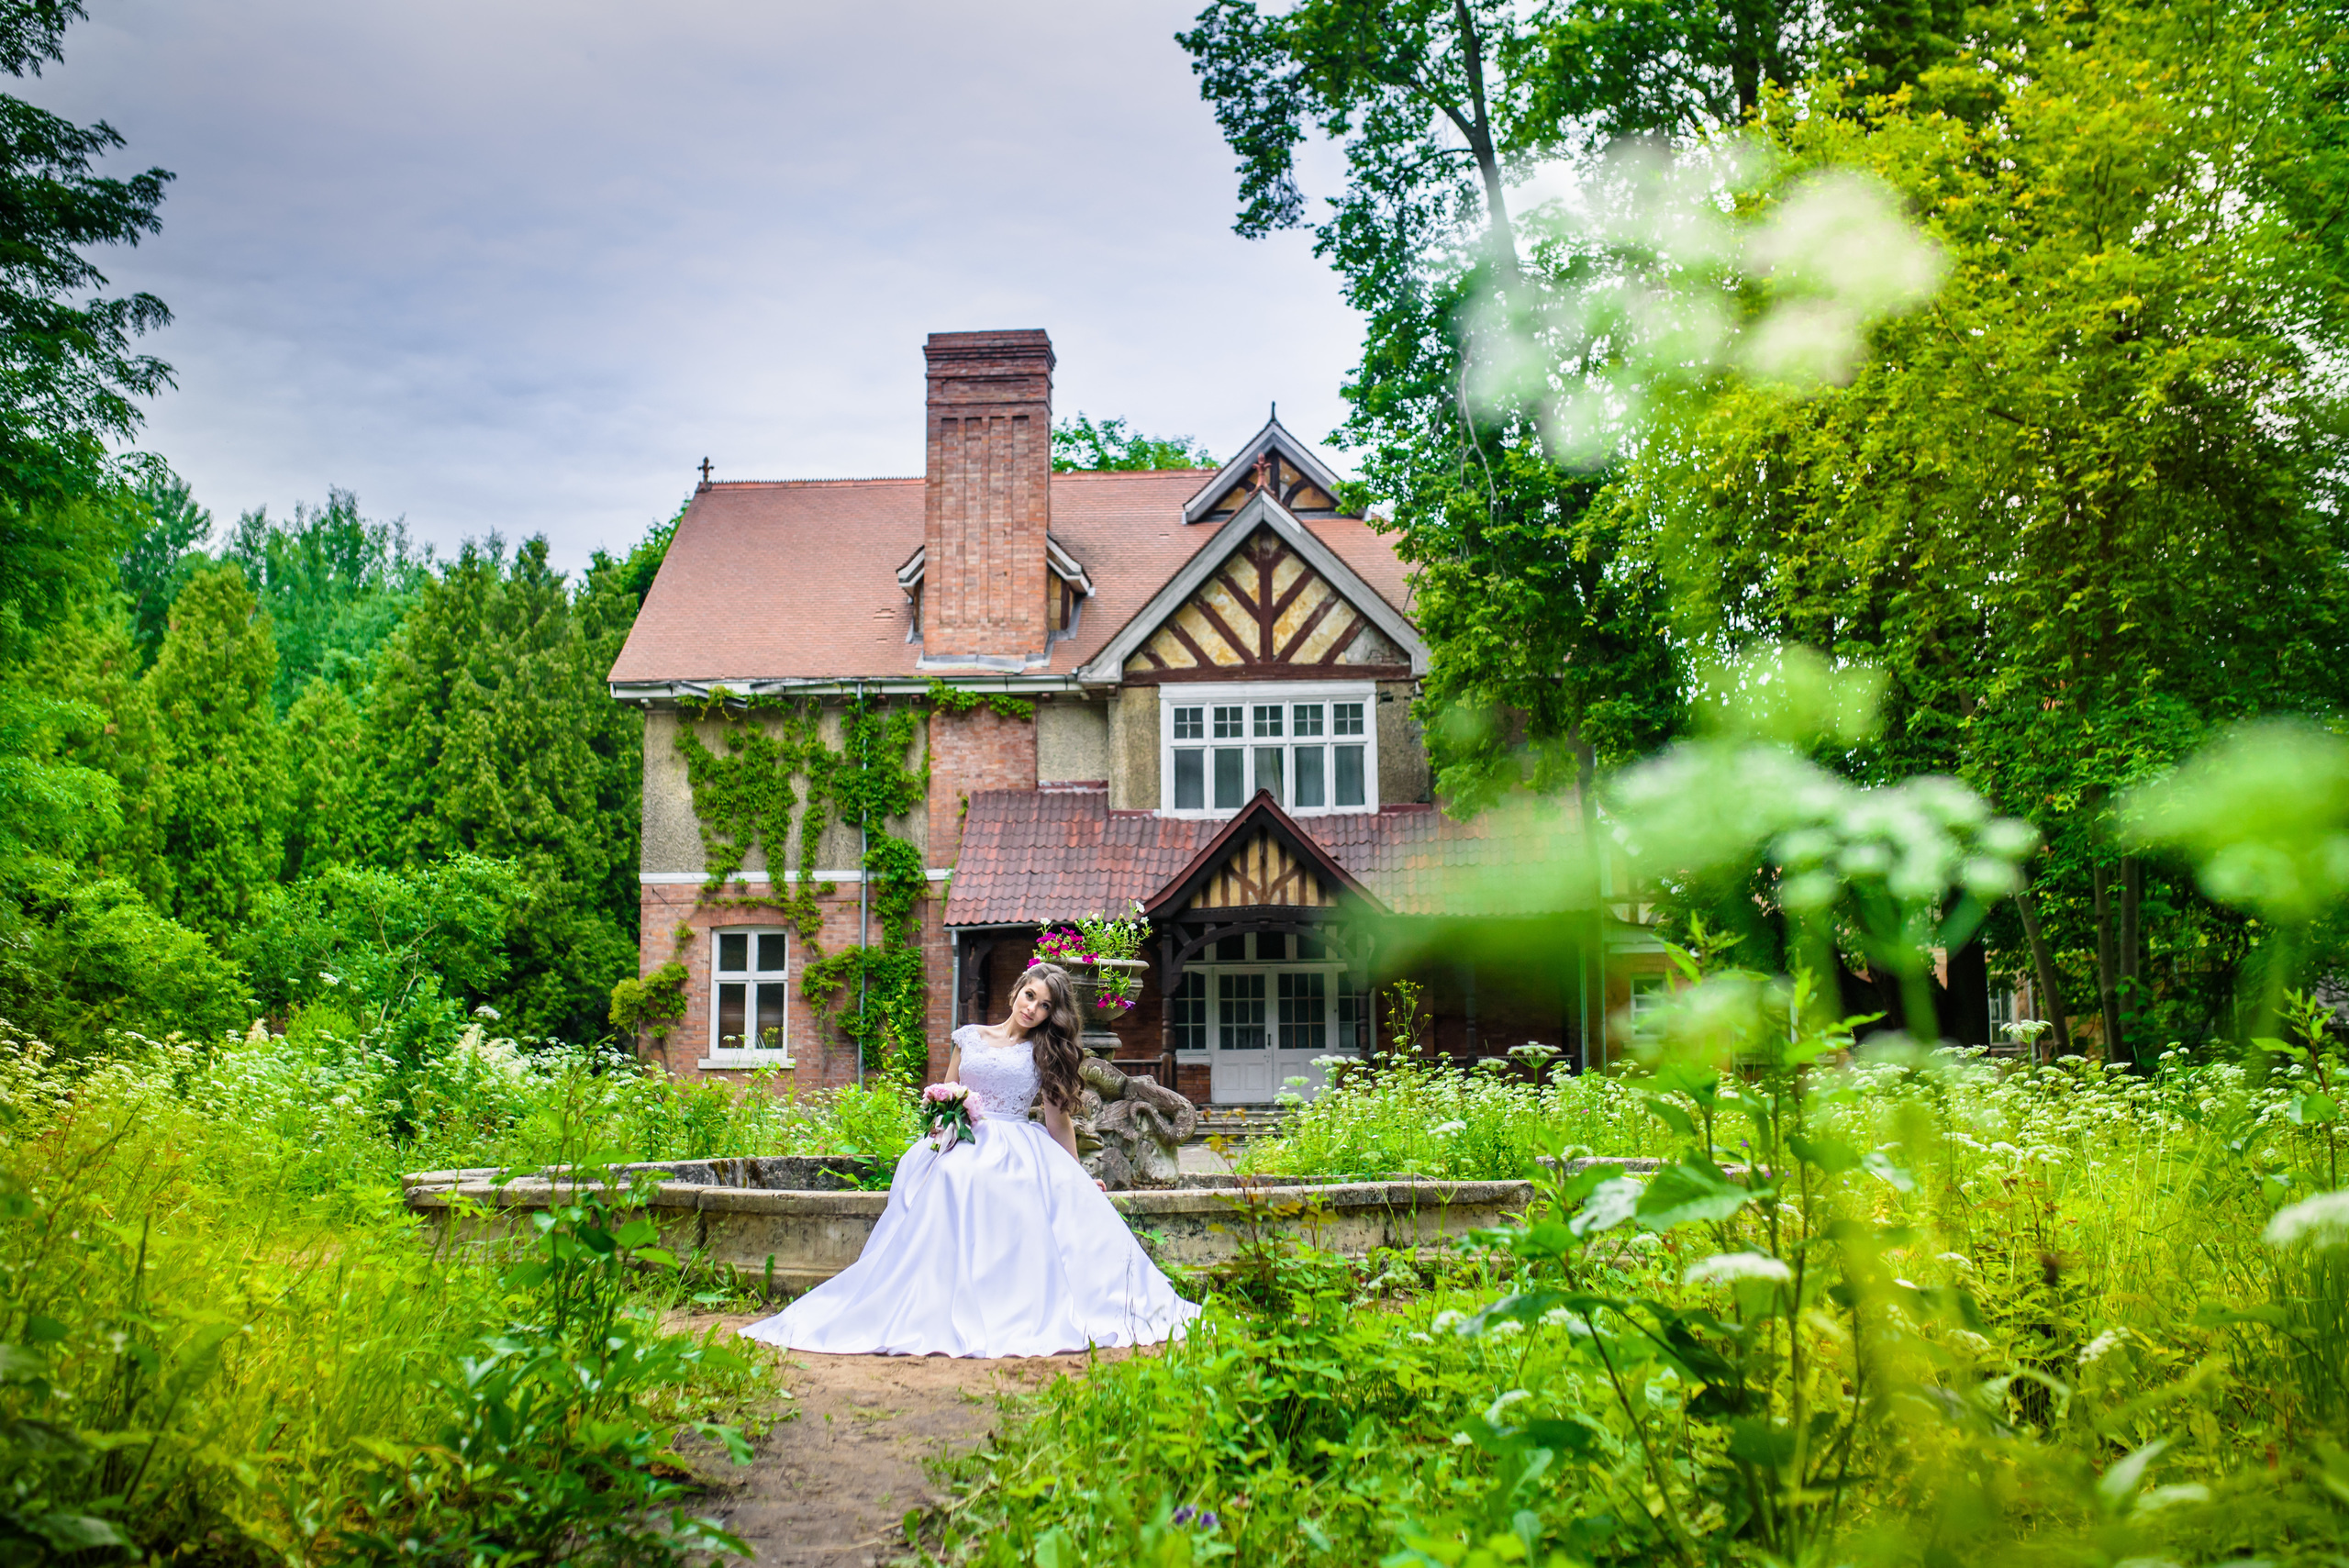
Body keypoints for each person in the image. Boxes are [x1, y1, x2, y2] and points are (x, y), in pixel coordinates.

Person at [739, 962, 1199, 1357]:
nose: (1032, 1009)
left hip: (1019, 1143)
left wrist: (1077, 1178)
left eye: (1043, 1006)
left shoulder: (1046, 1051)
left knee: (1000, 1188)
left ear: (1050, 1016)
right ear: (1017, 989)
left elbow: (1058, 1123)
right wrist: (943, 1119)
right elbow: (945, 1092)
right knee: (950, 1178)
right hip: (962, 1136)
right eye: (1030, 996)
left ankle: (1001, 1302)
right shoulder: (970, 1037)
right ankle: (934, 1300)